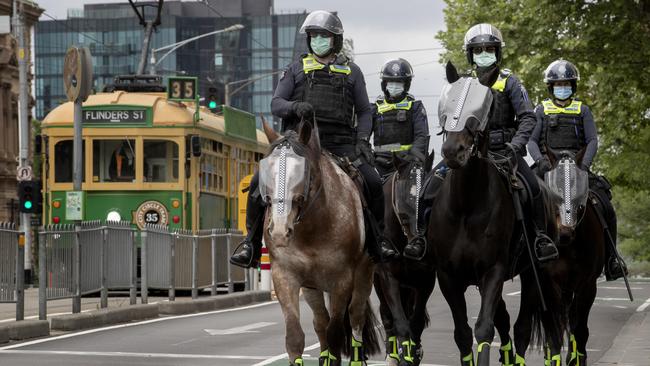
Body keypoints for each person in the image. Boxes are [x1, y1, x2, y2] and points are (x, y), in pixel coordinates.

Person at [229, 10, 397, 268]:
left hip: (342, 143)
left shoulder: (352, 72)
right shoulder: (296, 69)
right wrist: (296, 108)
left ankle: (379, 241)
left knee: (373, 181)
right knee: (257, 181)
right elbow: (276, 103)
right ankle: (250, 244)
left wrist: (363, 139)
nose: (318, 40)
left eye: (324, 36)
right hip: (299, 144)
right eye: (314, 36)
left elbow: (364, 111)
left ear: (335, 40)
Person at [422, 23, 559, 262]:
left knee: (535, 190)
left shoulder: (510, 82)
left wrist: (515, 146)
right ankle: (422, 238)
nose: (484, 53)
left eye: (489, 49)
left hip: (505, 151)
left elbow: (528, 117)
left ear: (498, 52)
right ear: (470, 53)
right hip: (469, 151)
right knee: (429, 186)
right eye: (478, 49)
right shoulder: (462, 85)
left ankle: (540, 239)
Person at [528, 59, 627, 280]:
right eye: (557, 84)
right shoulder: (541, 110)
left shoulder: (583, 110)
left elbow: (592, 140)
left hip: (577, 166)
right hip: (548, 167)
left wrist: (584, 165)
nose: (562, 88)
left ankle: (612, 259)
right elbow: (532, 141)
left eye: (566, 84)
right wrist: (541, 161)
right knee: (526, 196)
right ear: (551, 87)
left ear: (573, 87)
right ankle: (525, 252)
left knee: (605, 204)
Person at [371, 58, 430, 259]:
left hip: (407, 166)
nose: (394, 86)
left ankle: (420, 237)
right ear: (384, 83)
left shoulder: (415, 106)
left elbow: (422, 136)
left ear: (407, 85)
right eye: (390, 82)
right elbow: (361, 135)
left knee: (423, 196)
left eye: (399, 83)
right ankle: (376, 240)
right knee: (366, 194)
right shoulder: (375, 107)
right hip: (381, 165)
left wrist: (412, 157)